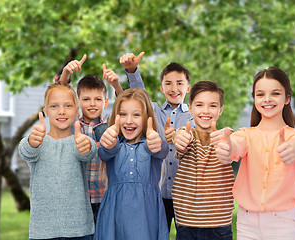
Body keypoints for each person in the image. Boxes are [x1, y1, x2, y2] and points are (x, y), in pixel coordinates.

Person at [211, 67, 295, 240]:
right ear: (254, 99)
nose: (267, 100)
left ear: (287, 98)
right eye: (260, 94)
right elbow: (235, 146)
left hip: (283, 222)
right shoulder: (245, 135)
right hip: (247, 222)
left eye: (275, 93)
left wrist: (291, 149)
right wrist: (227, 147)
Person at [119, 52, 195, 232]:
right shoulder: (154, 112)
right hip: (158, 193)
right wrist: (132, 70)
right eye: (168, 83)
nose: (174, 87)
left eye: (179, 83)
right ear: (162, 88)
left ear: (188, 87)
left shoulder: (193, 115)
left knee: (187, 234)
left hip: (185, 193)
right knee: (156, 233)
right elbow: (139, 93)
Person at [19, 83, 97, 240]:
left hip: (79, 230)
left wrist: (87, 146)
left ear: (77, 110)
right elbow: (25, 151)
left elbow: (89, 152)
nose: (61, 111)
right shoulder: (37, 142)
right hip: (43, 231)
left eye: (68, 106)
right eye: (54, 106)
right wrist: (32, 142)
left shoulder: (80, 141)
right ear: (46, 111)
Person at [94, 88, 170, 240]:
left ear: (147, 117)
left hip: (146, 218)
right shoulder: (113, 145)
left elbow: (162, 150)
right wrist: (108, 142)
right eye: (123, 114)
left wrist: (157, 142)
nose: (129, 121)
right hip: (115, 217)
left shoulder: (151, 144)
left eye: (136, 115)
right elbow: (104, 152)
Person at [56, 54, 121, 225]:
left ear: (106, 102)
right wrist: (65, 74)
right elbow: (59, 97)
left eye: (97, 99)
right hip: (77, 200)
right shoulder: (72, 123)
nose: (92, 104)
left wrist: (116, 84)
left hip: (105, 197)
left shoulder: (110, 123)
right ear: (77, 102)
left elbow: (126, 104)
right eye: (86, 99)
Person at [171, 80, 235, 240]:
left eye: (212, 106)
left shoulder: (227, 137)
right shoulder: (186, 134)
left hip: (219, 224)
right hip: (187, 223)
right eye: (199, 105)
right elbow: (179, 139)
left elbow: (234, 144)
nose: (206, 111)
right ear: (190, 109)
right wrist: (179, 138)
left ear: (220, 110)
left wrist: (230, 144)